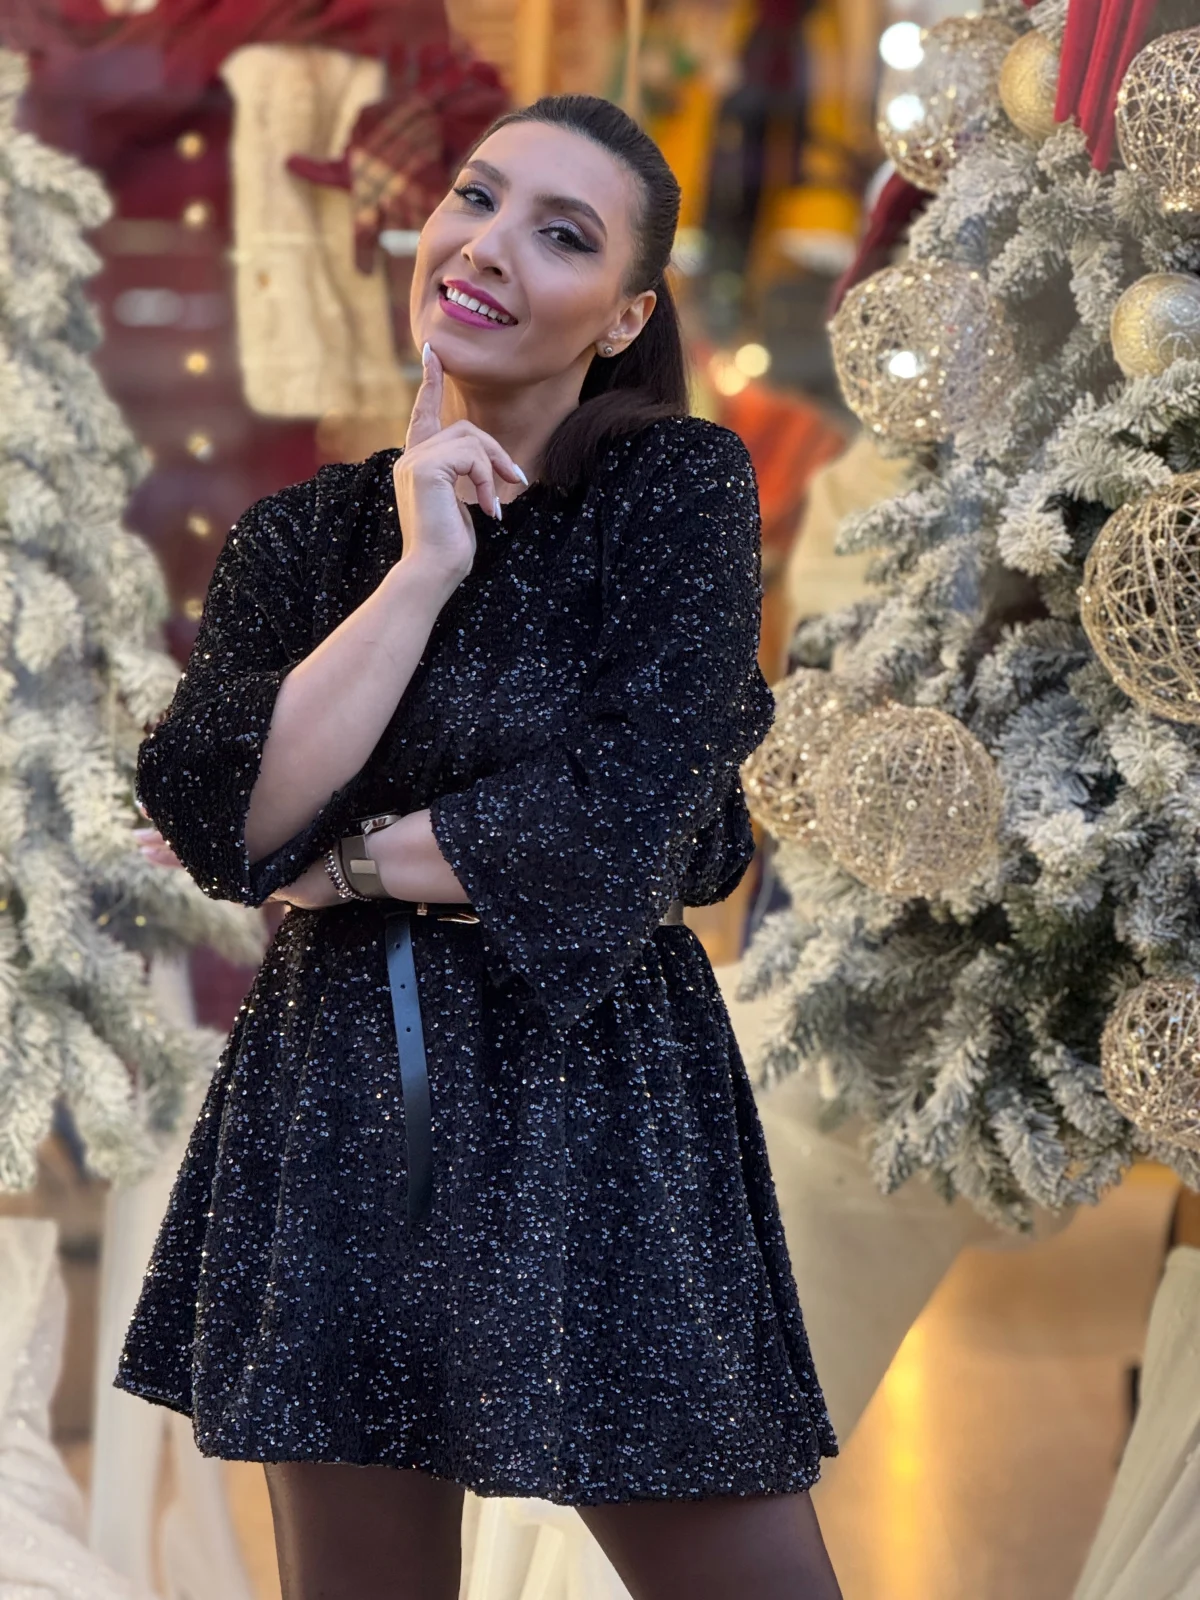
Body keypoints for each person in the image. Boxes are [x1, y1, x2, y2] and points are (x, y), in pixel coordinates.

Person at [122, 92, 843, 1600]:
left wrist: (340, 863)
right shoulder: (307, 538)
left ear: (627, 314)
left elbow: (632, 815)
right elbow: (222, 811)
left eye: (562, 234)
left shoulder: (677, 494)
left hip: (600, 1090)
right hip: (342, 1093)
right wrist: (419, 572)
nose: (488, 245)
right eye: (476, 197)